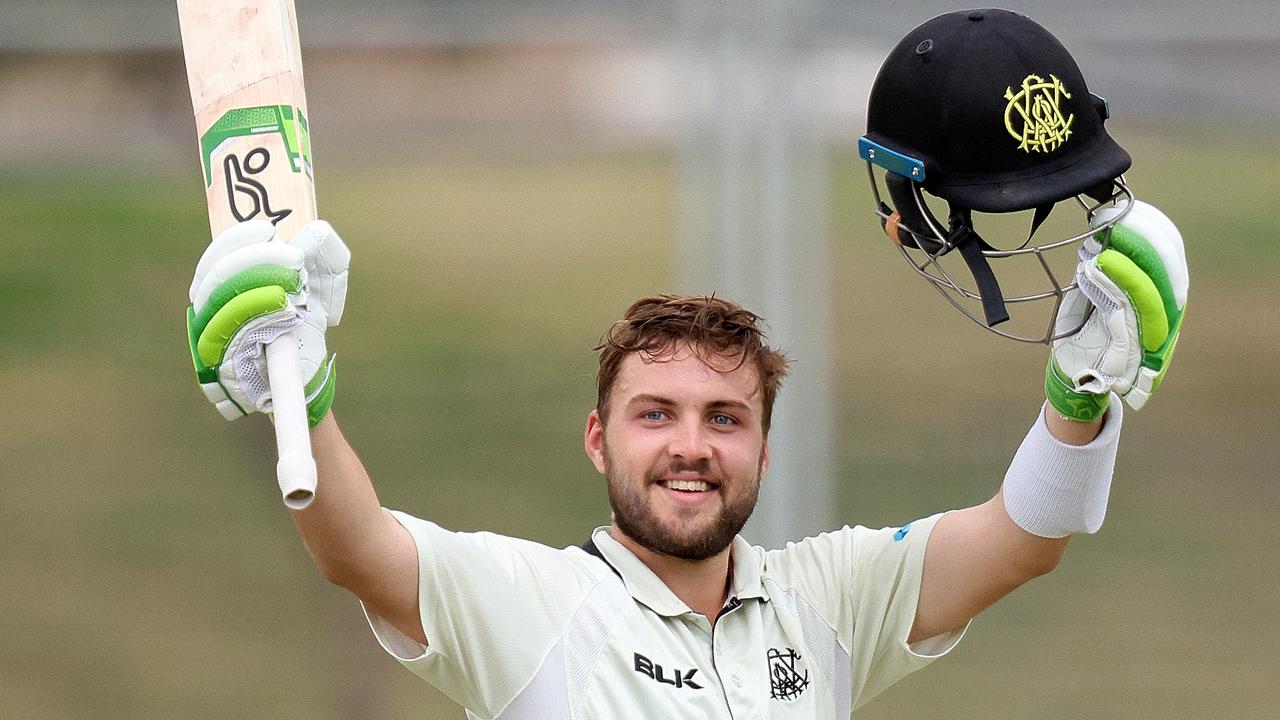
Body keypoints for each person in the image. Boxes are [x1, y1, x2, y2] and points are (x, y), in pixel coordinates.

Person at [184, 9, 1188, 720]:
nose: (690, 446)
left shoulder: (826, 601)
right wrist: (301, 394)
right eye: (653, 413)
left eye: (723, 417)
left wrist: (1079, 395)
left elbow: (1028, 536)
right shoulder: (531, 606)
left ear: (760, 444)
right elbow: (355, 549)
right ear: (596, 438)